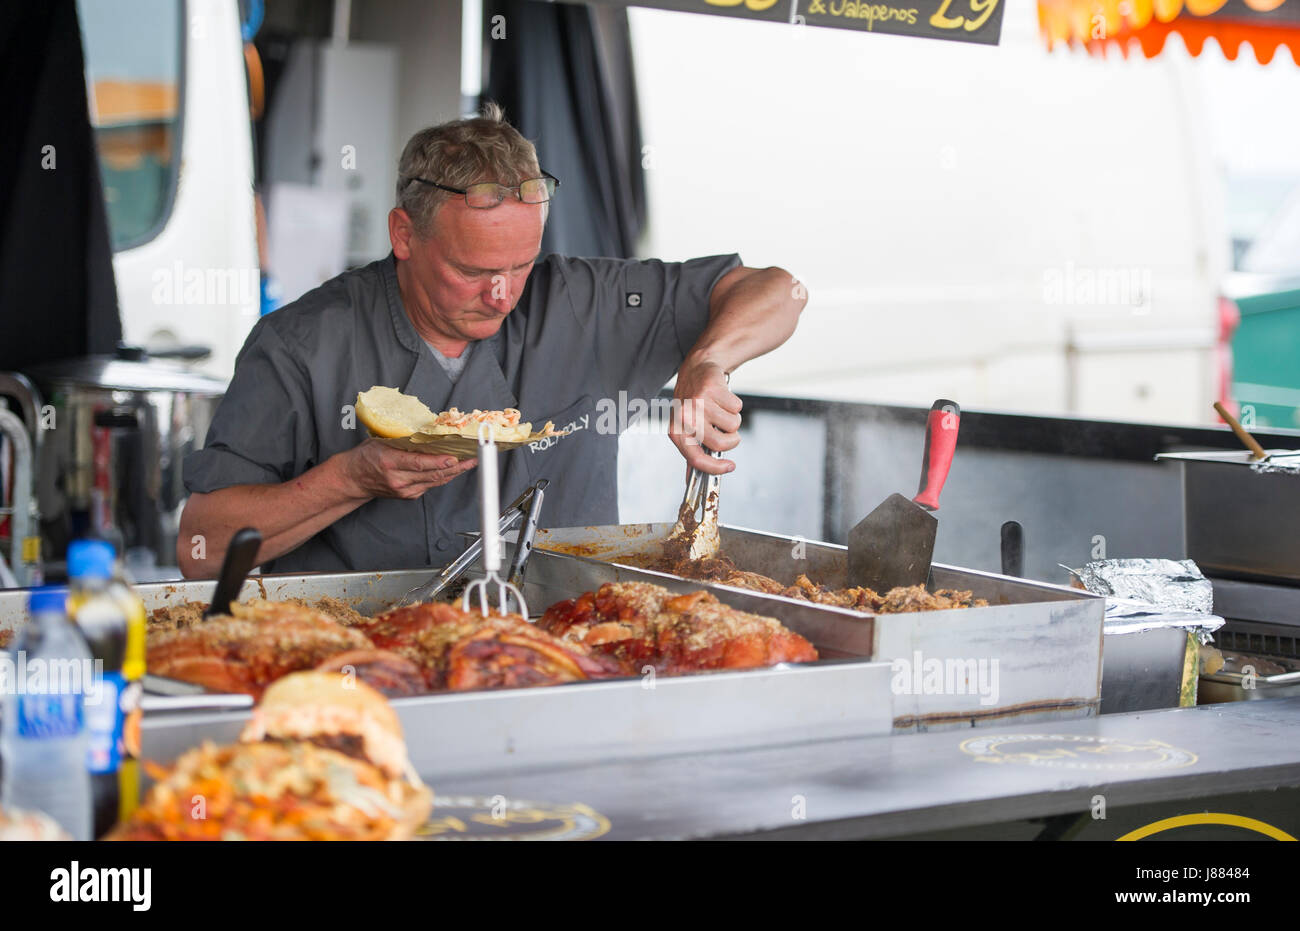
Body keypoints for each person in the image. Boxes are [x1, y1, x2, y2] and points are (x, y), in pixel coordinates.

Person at [177, 104, 805, 577]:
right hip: (360, 667)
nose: (503, 294)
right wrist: (352, 478)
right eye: (474, 271)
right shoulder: (301, 345)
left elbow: (781, 290)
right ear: (403, 234)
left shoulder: (584, 306)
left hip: (564, 652)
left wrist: (708, 361)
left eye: (520, 265)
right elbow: (200, 547)